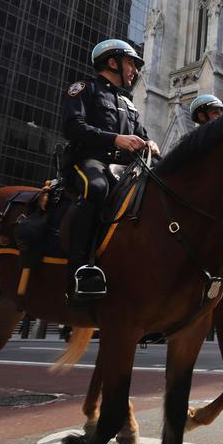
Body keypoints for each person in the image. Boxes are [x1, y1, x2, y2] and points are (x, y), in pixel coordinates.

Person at [61, 38, 159, 305]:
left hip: (124, 168)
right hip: (90, 162)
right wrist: (115, 139)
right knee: (97, 189)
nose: (135, 71)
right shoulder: (84, 89)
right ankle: (79, 271)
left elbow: (140, 136)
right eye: (131, 64)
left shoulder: (129, 104)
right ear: (112, 62)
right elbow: (72, 127)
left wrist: (149, 143)